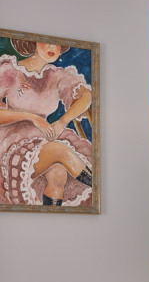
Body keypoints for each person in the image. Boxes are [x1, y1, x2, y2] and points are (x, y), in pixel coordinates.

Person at [0, 39, 93, 206]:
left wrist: (63, 121)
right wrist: (31, 117)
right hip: (11, 142)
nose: (51, 47)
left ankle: (52, 221)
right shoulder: (11, 70)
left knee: (58, 173)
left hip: (44, 138)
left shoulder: (56, 75)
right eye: (46, 42)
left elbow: (86, 96)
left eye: (55, 44)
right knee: (59, 150)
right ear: (32, 44)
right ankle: (98, 183)